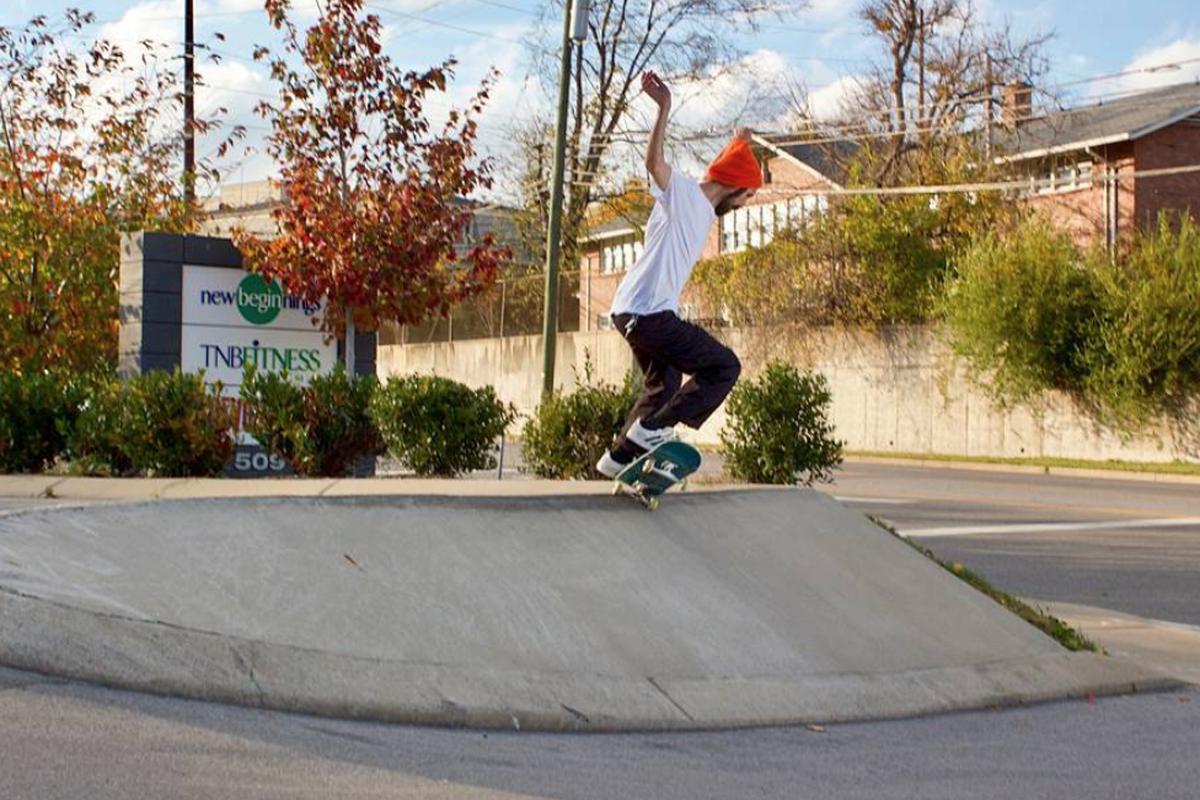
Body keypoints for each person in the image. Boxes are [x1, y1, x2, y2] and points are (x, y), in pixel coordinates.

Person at [595, 69, 760, 478]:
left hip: (633, 311)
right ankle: (656, 429)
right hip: (648, 313)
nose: (742, 206)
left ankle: (616, 459)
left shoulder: (703, 206)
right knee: (723, 367)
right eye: (747, 198)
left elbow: (734, 163)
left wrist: (744, 141)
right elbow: (654, 163)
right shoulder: (683, 193)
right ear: (737, 191)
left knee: (664, 385)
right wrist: (664, 109)